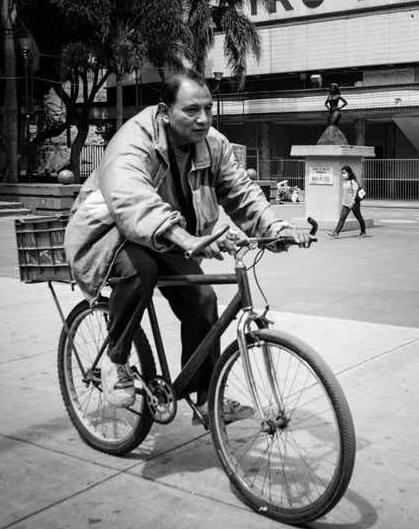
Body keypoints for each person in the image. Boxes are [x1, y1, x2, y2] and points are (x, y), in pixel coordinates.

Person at [64, 69, 311, 424]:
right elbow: (131, 197)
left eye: (208, 109)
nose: (203, 119)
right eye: (192, 110)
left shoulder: (213, 144)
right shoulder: (134, 139)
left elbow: (241, 191)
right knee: (140, 270)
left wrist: (276, 228)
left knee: (203, 301)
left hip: (167, 237)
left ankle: (207, 400)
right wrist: (186, 239)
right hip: (110, 233)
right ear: (166, 112)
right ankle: (116, 360)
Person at [328, 165, 368, 239]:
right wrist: (344, 202)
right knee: (342, 218)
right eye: (342, 173)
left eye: (344, 173)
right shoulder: (345, 181)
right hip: (346, 203)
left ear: (349, 173)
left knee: (359, 217)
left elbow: (355, 193)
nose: (343, 174)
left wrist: (352, 202)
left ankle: (363, 232)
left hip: (354, 203)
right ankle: (336, 233)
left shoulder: (353, 182)